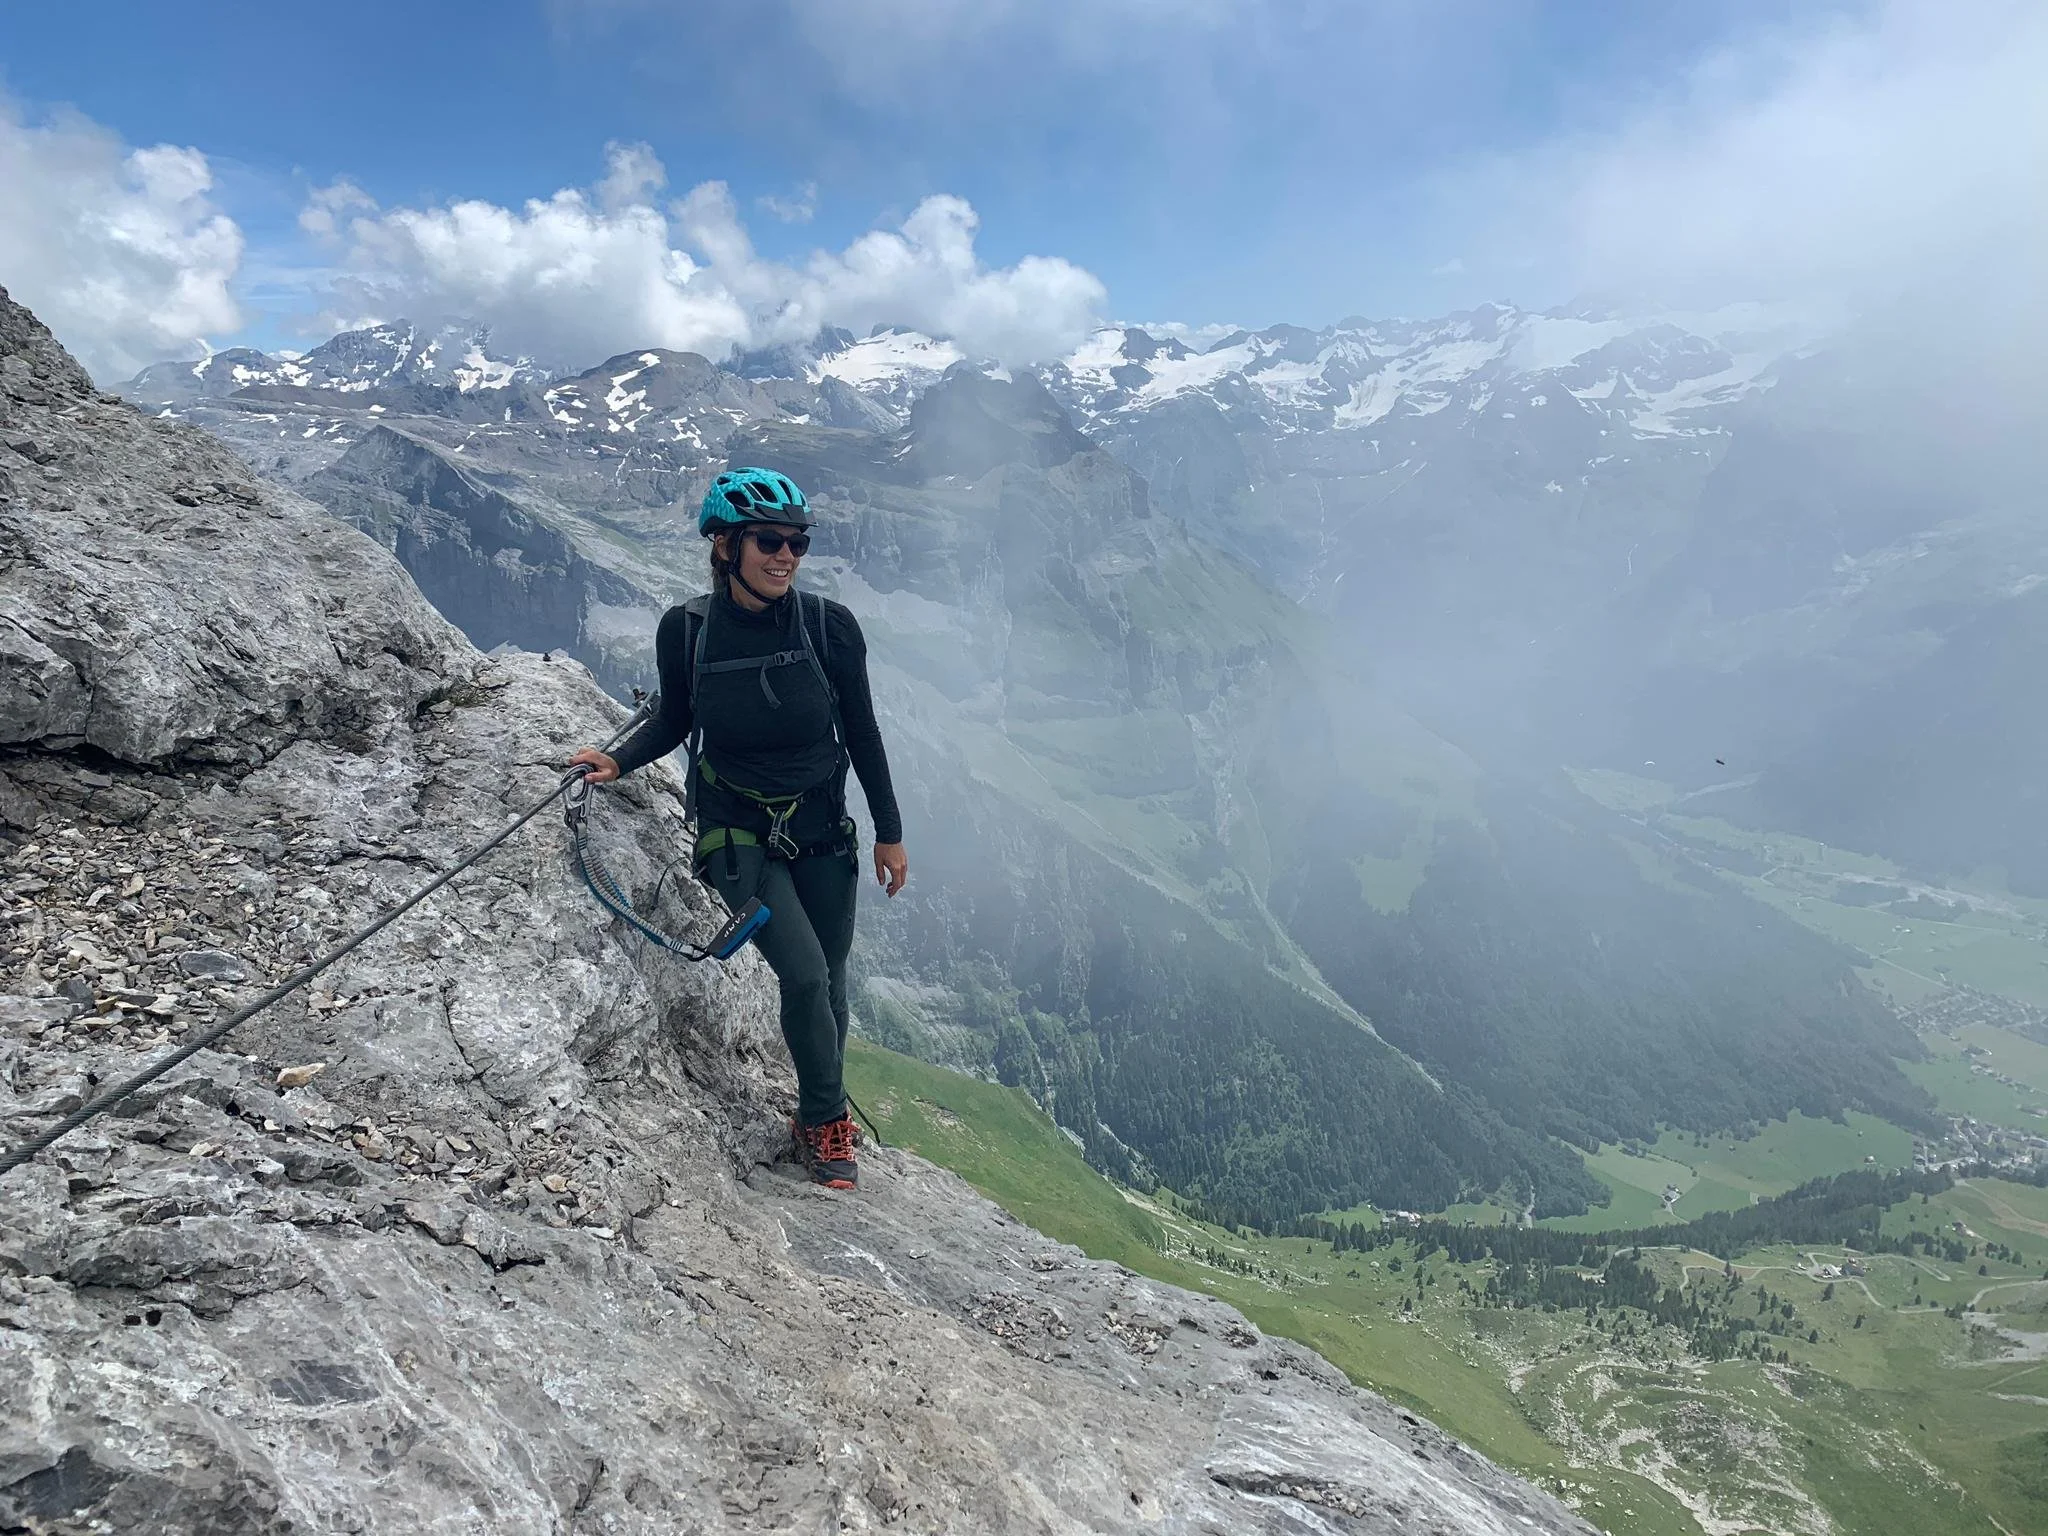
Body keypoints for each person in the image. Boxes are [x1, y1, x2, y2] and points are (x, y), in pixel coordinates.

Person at [570, 467, 907, 1189]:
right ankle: (823, 1120)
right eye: (769, 541)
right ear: (725, 545)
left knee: (832, 977)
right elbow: (674, 719)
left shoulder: (829, 627)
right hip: (734, 834)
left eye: (797, 542)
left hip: (823, 829)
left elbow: (864, 732)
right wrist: (617, 760)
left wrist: (889, 830)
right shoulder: (688, 630)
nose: (786, 554)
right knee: (806, 971)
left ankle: (821, 1105)